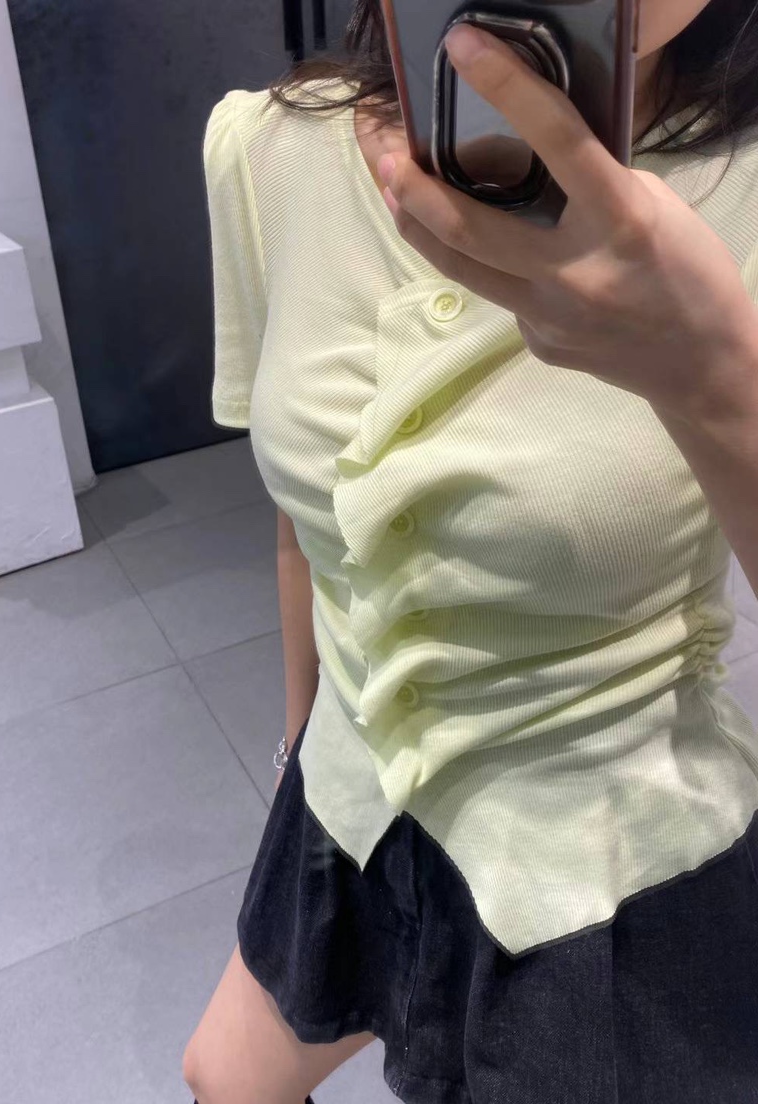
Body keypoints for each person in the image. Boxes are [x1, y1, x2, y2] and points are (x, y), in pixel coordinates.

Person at [184, 2, 758, 1101]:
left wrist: (720, 384)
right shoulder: (266, 152)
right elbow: (307, 523)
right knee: (222, 1077)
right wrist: (299, 739)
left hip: (608, 862)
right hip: (349, 788)